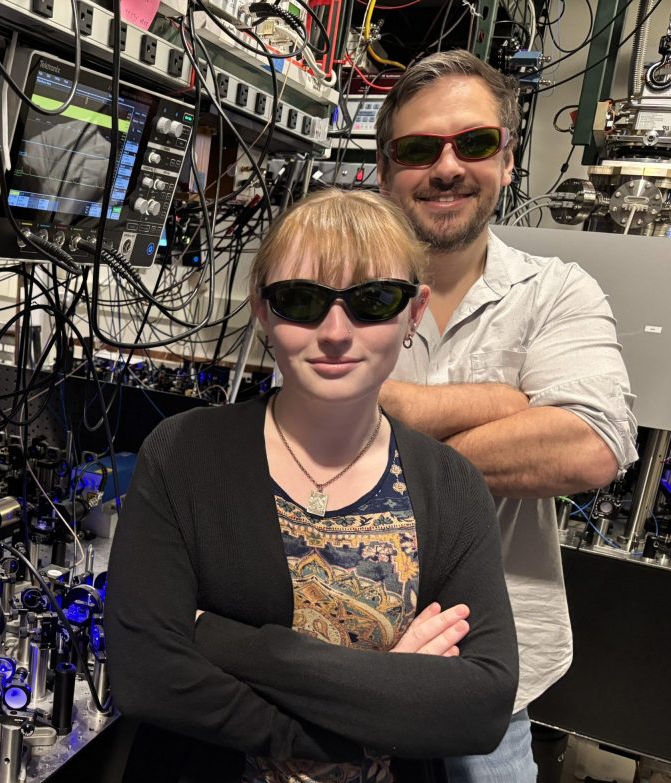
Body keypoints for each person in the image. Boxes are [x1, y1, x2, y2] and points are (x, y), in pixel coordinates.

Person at [106, 189, 518, 783]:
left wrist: (221, 641)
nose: (334, 332)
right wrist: (380, 705)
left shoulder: (449, 485)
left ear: (415, 311)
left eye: (373, 301)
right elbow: (148, 676)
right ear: (262, 310)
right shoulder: (183, 454)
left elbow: (477, 708)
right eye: (301, 300)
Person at [374, 50, 639, 783]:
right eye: (420, 149)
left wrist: (401, 412)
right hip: (343, 658)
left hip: (489, 686)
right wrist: (505, 405)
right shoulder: (340, 289)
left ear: (509, 158)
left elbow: (591, 445)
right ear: (384, 168)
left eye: (475, 143)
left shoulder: (556, 293)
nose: (448, 166)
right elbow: (298, 439)